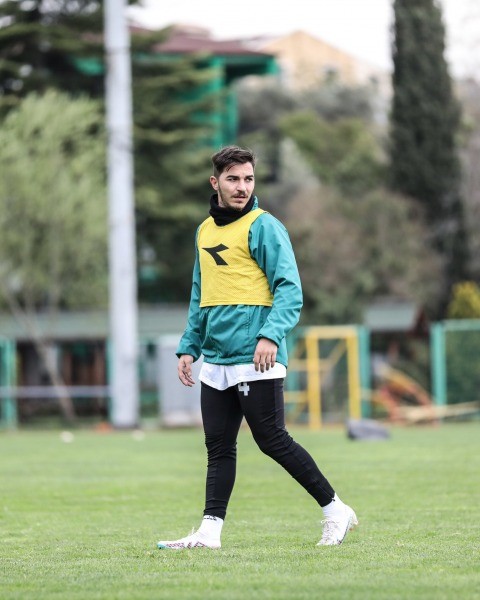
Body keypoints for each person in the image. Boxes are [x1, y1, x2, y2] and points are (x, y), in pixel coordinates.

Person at [157, 146, 357, 550]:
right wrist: (189, 346)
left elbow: (290, 290)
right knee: (218, 447)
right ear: (215, 182)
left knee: (272, 439)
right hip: (217, 359)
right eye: (233, 179)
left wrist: (270, 335)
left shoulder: (265, 226)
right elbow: (200, 294)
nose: (242, 187)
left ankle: (336, 510)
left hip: (256, 356)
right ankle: (209, 533)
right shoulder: (204, 231)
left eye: (248, 179)